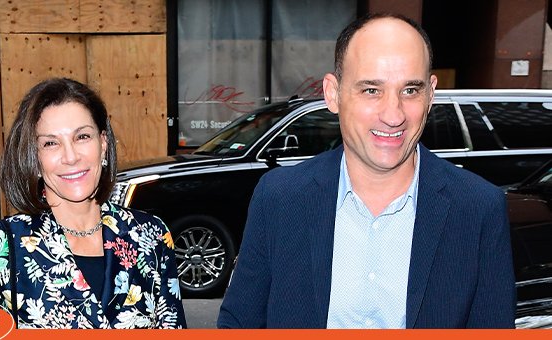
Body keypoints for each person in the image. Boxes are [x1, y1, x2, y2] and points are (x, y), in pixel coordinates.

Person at [217, 13, 515, 329]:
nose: (393, 114)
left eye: (410, 90)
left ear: (430, 94)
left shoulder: (479, 208)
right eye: (371, 90)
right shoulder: (279, 197)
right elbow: (240, 324)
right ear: (333, 93)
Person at [0, 78, 187, 329]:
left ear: (103, 143)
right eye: (51, 143)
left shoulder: (150, 236)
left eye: (82, 137)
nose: (71, 157)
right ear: (34, 158)